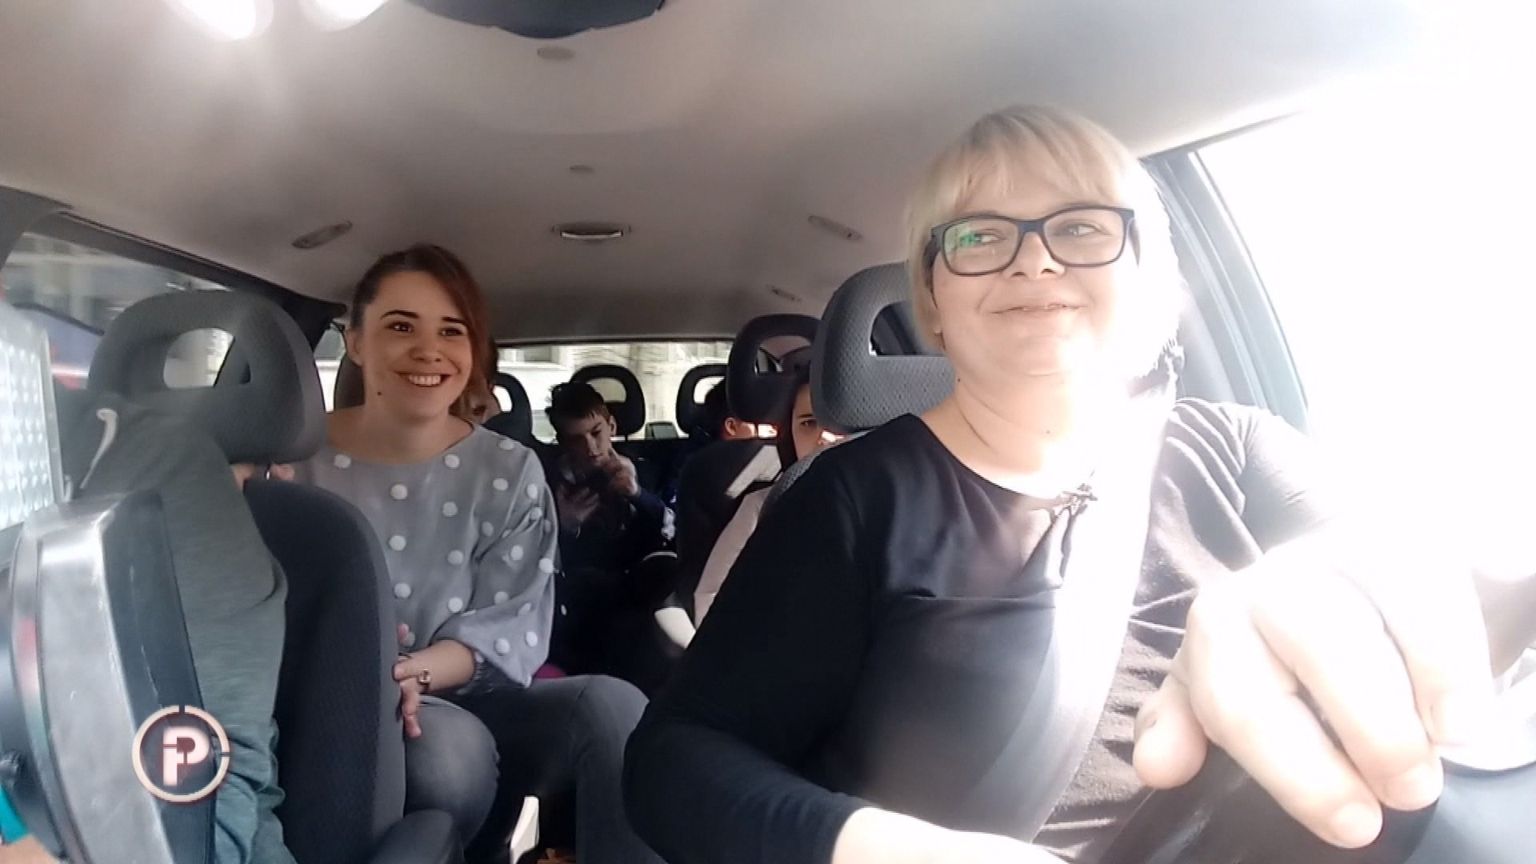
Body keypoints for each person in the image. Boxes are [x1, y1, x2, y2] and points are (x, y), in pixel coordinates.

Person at [623, 105, 1497, 864]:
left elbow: (1368, 549)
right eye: (978, 236)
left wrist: (1330, 594)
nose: (1034, 263)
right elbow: (677, 759)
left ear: (1153, 278)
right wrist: (891, 849)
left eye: (1082, 229)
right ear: (932, 298)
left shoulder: (1239, 450)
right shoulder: (851, 500)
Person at [292, 244, 660, 864]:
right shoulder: (289, 457)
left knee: (613, 705)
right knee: (433, 757)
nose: (428, 350)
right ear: (354, 342)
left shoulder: (508, 468)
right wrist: (367, 681)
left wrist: (411, 673)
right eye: (401, 326)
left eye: (451, 331)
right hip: (334, 694)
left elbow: (511, 621)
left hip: (472, 692)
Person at [545, 382, 677, 688]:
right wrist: (564, 525)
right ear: (562, 442)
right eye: (576, 440)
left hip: (641, 589)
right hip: (579, 598)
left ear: (612, 426)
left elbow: (673, 530)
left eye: (596, 433)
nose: (591, 448)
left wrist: (638, 494)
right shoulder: (548, 483)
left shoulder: (647, 468)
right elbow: (537, 558)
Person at [693, 364, 839, 624]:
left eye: (838, 421)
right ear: (790, 434)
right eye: (809, 422)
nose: (825, 436)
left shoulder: (899, 504)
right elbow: (711, 599)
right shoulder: (762, 508)